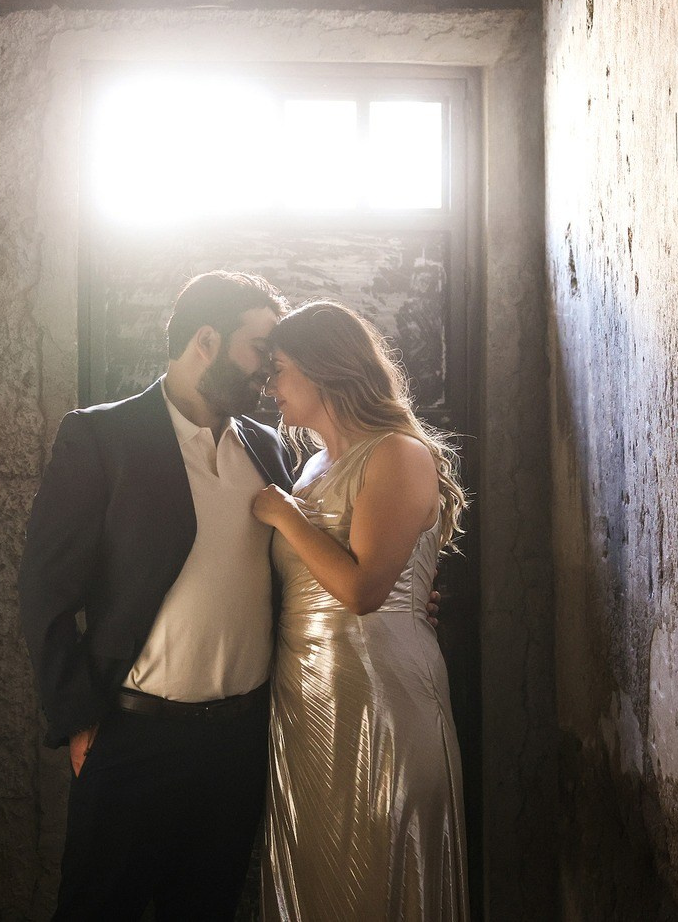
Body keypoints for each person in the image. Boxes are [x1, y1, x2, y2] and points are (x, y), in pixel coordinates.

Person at [18, 270, 294, 922]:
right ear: (206, 339)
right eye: (259, 348)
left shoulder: (269, 448)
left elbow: (301, 573)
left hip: (239, 747)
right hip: (131, 739)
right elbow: (45, 590)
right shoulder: (100, 438)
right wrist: (77, 715)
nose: (270, 369)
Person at [252, 300, 471, 922]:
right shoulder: (312, 466)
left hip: (384, 693)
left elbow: (363, 592)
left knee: (377, 868)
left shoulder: (397, 453)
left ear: (324, 371)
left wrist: (283, 515)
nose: (269, 387)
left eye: (280, 370)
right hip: (304, 696)